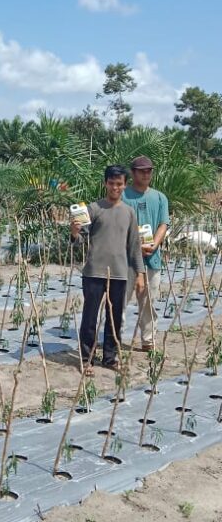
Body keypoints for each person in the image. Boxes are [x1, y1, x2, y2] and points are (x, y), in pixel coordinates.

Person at [71, 165, 144, 373]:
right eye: (111, 183)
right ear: (105, 183)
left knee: (114, 318)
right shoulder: (94, 209)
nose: (115, 187)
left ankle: (110, 358)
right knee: (90, 318)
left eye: (119, 184)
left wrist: (139, 274)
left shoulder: (129, 213)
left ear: (125, 185)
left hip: (120, 274)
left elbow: (134, 247)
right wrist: (74, 232)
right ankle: (87, 358)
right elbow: (79, 238)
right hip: (94, 272)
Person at [123, 155, 170, 351]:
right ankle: (114, 338)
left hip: (151, 258)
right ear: (133, 173)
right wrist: (134, 246)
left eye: (149, 170)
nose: (146, 173)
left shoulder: (159, 197)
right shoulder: (123, 196)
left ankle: (148, 340)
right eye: (142, 170)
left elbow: (163, 224)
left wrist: (154, 244)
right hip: (125, 259)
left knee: (148, 301)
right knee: (119, 301)